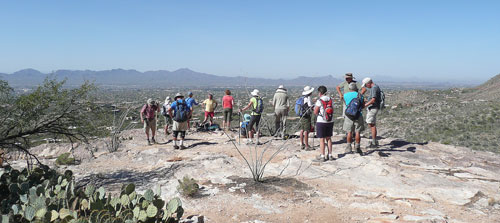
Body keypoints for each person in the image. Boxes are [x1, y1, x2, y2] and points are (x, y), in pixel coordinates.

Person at [343, 83, 365, 154]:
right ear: (356, 88)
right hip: (358, 115)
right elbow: (363, 105)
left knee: (349, 131)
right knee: (357, 131)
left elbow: (346, 103)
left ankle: (348, 147)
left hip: (349, 115)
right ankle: (357, 147)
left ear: (349, 89)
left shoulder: (345, 95)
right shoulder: (360, 95)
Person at [314, 86, 334, 161]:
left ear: (320, 93)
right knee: (329, 138)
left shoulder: (319, 100)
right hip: (330, 120)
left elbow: (315, 112)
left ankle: (322, 156)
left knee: (322, 139)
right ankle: (330, 155)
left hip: (321, 121)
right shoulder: (331, 100)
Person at [362, 77, 382, 148]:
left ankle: (374, 142)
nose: (365, 87)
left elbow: (373, 99)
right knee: (372, 124)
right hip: (374, 107)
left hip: (373, 108)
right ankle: (374, 141)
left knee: (371, 124)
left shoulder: (374, 88)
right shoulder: (376, 86)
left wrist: (365, 105)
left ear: (368, 83)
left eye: (365, 85)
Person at [299, 86, 314, 150]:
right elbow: (310, 106)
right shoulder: (308, 98)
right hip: (306, 116)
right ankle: (307, 146)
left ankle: (302, 143)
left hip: (301, 115)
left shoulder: (302, 98)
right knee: (306, 130)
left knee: (302, 129)